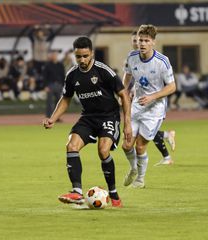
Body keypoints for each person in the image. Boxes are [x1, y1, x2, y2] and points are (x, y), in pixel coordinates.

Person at [43, 36, 132, 207]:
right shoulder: (72, 75)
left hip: (108, 116)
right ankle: (76, 192)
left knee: (103, 150)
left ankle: (113, 193)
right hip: (88, 117)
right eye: (78, 57)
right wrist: (53, 118)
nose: (82, 60)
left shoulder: (103, 70)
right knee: (71, 146)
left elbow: (123, 94)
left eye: (85, 56)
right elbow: (66, 98)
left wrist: (127, 123)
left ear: (91, 53)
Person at [122, 25, 176, 189]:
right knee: (126, 145)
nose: (142, 44)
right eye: (140, 40)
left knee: (140, 146)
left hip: (155, 110)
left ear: (153, 42)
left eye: (146, 40)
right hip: (137, 105)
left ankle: (140, 179)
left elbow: (172, 87)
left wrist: (153, 96)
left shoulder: (162, 61)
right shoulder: (132, 57)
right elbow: (126, 78)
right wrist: (123, 94)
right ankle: (133, 169)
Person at [42, 50, 66, 117]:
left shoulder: (60, 65)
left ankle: (57, 117)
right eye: (53, 55)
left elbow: (63, 76)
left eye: (55, 55)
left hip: (59, 85)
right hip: (50, 85)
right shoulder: (47, 65)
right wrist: (45, 86)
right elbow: (44, 76)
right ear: (51, 56)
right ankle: (48, 116)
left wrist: (64, 85)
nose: (54, 56)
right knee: (49, 102)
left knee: (58, 102)